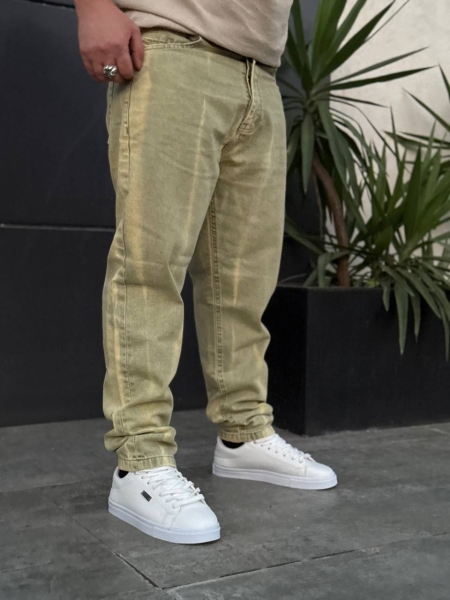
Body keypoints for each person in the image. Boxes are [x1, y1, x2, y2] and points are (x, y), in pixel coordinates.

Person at [74, 0, 338, 545]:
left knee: (243, 281)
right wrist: (93, 6)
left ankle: (243, 432)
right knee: (150, 265)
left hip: (260, 70)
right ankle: (139, 459)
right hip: (171, 46)